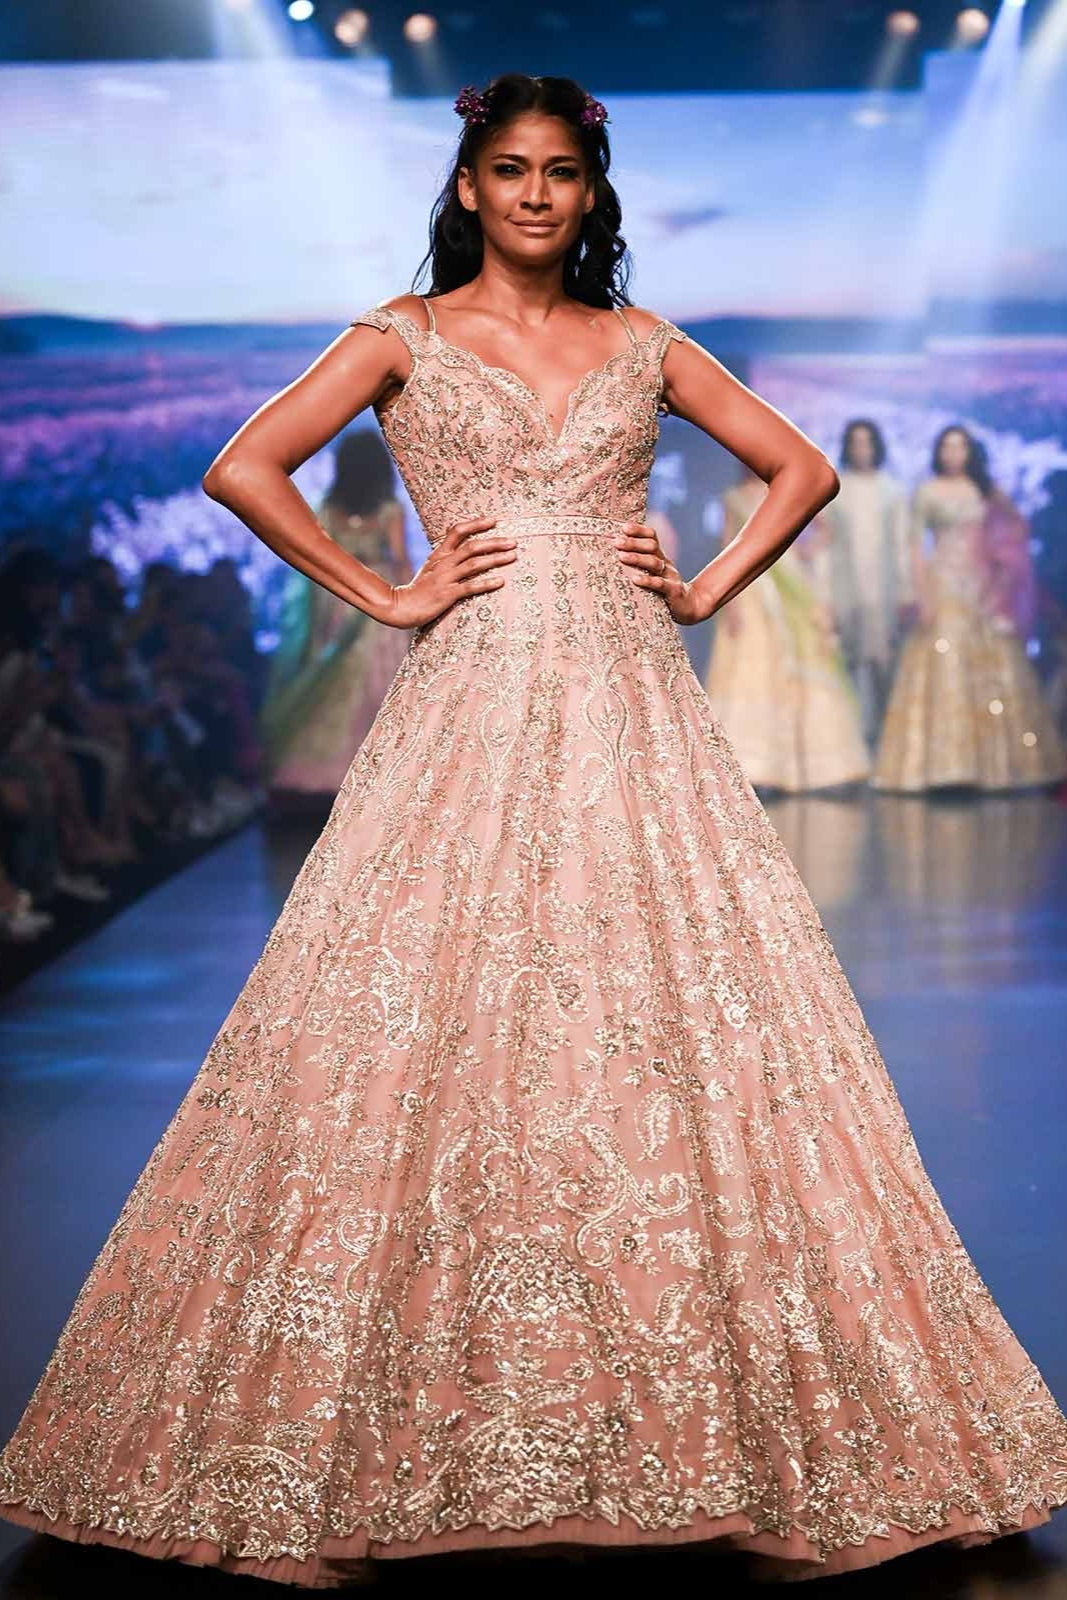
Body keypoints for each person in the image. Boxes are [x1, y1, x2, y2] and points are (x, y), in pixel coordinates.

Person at [2, 72, 1065, 1588]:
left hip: (632, 713)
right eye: (508, 170)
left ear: (587, 191)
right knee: (424, 1006)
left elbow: (803, 468)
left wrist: (699, 589)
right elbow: (241, 464)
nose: (534, 195)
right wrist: (386, 592)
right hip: (467, 707)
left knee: (658, 1012)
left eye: (559, 172)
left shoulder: (642, 343)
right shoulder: (400, 336)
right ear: (467, 186)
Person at [872, 424, 1067, 792]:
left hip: (983, 587)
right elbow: (913, 545)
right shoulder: (927, 491)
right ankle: (944, 767)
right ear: (938, 451)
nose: (953, 453)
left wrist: (1001, 578)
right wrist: (920, 592)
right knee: (943, 662)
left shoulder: (986, 490)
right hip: (943, 583)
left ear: (969, 452)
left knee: (993, 667)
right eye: (947, 446)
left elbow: (1013, 532)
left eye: (959, 446)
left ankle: (995, 768)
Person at [261, 429, 413, 808]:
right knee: (378, 683)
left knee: (334, 684)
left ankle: (329, 771)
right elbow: (401, 561)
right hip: (379, 599)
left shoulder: (327, 507)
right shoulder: (388, 509)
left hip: (339, 600)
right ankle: (382, 772)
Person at [702, 468, 870, 792]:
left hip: (789, 584)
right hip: (749, 589)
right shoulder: (733, 498)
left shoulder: (782, 490)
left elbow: (824, 526)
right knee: (752, 669)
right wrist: (728, 603)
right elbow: (726, 546)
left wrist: (806, 551)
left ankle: (820, 769)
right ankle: (754, 768)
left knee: (802, 666)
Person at [821, 418, 911, 746]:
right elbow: (828, 546)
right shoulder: (837, 489)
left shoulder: (892, 491)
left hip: (884, 589)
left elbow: (901, 544)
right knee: (850, 664)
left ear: (876, 446)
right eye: (855, 442)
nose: (861, 449)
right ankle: (857, 742)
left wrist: (906, 592)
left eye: (867, 442)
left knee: (885, 665)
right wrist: (824, 593)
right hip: (846, 589)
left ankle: (889, 743)